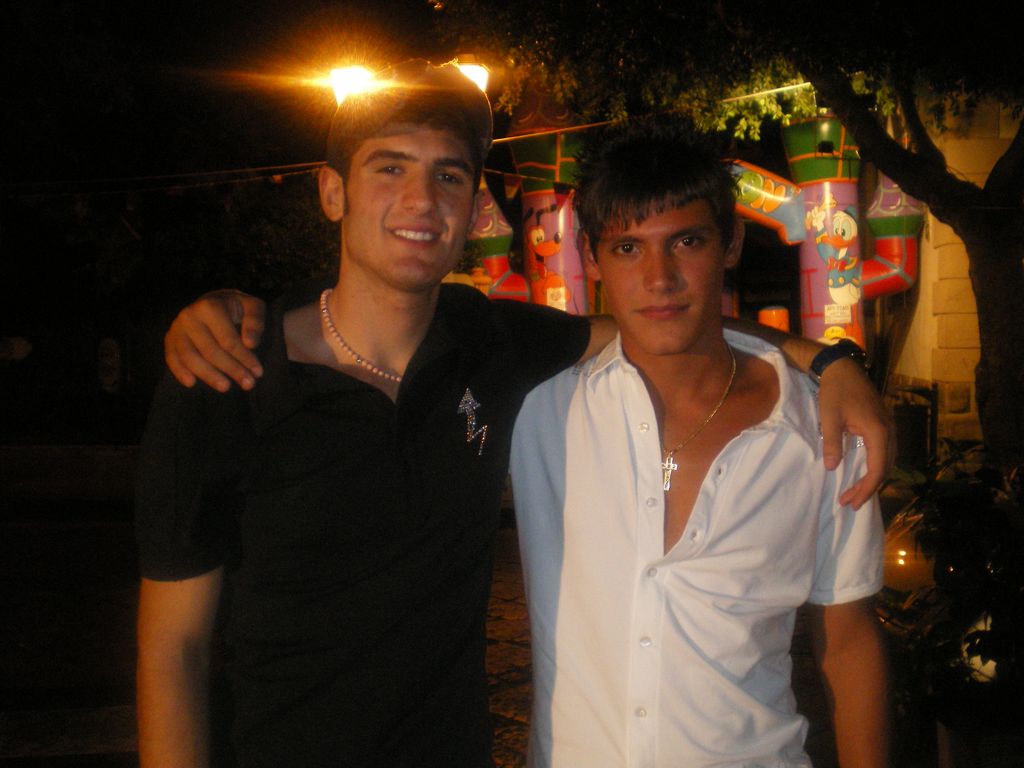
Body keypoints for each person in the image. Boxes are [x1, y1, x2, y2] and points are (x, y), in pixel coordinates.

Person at [145, 61, 891, 767]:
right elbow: (173, 653)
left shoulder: (494, 349)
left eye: (448, 175)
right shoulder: (227, 376)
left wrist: (828, 360)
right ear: (332, 192)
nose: (421, 200)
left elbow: (670, 325)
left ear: (472, 205)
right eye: (390, 168)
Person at [510, 117, 888, 767]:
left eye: (686, 241)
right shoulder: (539, 405)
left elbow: (849, 643)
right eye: (628, 248)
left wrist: (828, 365)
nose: (660, 277)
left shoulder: (822, 432)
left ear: (730, 243)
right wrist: (827, 356)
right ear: (592, 259)